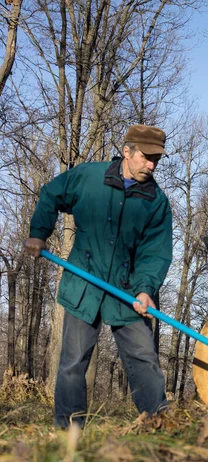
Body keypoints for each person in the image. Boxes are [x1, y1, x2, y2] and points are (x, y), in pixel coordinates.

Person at [25, 125, 172, 428]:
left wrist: (145, 290)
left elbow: (154, 253)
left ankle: (159, 423)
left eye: (157, 159)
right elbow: (52, 194)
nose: (152, 165)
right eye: (147, 157)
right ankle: (69, 431)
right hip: (84, 284)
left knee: (144, 359)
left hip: (128, 291)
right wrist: (39, 233)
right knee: (73, 362)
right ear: (127, 151)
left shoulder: (156, 202)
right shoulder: (89, 178)